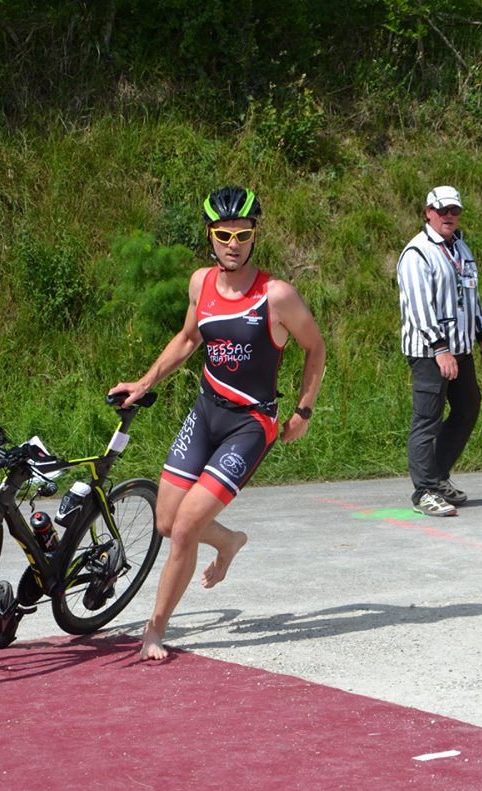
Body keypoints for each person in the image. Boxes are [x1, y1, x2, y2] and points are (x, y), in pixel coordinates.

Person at [110, 186, 326, 660]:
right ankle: (228, 541)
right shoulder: (200, 283)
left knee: (186, 528)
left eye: (243, 234)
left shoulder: (276, 295)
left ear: (254, 236)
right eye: (224, 234)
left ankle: (154, 629)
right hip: (206, 412)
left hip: (250, 425)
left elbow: (316, 347)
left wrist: (304, 410)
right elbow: (189, 339)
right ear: (210, 235)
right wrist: (144, 382)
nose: (233, 244)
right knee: (167, 522)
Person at [397, 185, 482, 517]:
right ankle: (423, 491)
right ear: (428, 212)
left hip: (461, 349)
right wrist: (439, 349)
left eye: (455, 210)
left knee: (468, 408)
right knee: (427, 419)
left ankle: (438, 477)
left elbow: (472, 297)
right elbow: (419, 307)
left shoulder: (462, 249)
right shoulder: (417, 253)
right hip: (430, 352)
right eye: (442, 210)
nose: (449, 216)